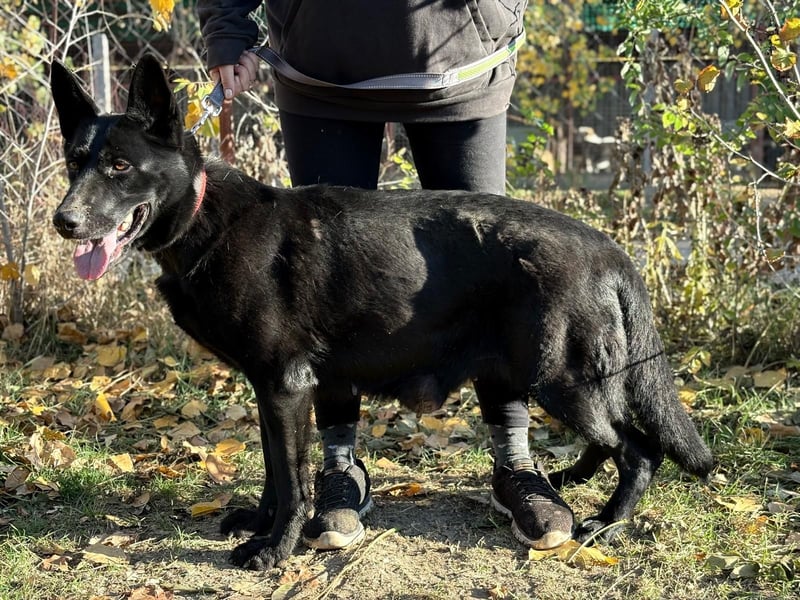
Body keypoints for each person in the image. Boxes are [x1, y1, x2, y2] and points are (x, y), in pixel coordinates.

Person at [196, 0, 574, 552]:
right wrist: (229, 34)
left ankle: (513, 457)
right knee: (323, 287)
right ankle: (338, 464)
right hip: (321, 74)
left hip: (463, 62)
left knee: (491, 274)